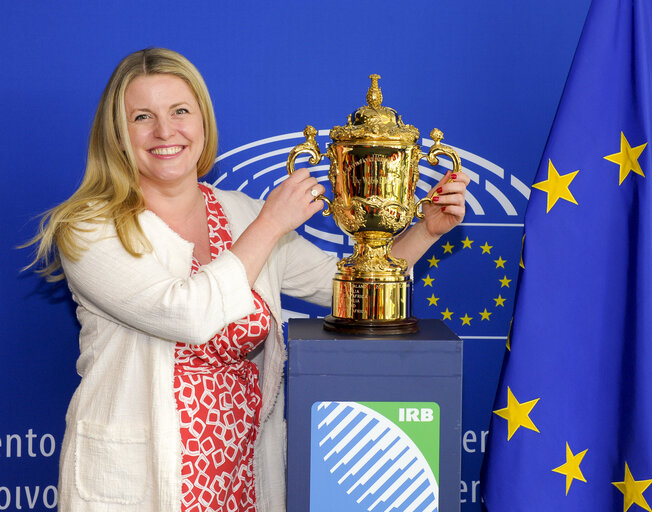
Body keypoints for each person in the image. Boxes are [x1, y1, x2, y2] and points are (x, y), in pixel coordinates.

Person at [26, 47, 469, 512]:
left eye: (180, 111)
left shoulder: (241, 213)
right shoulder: (89, 227)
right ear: (117, 134)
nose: (164, 131)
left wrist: (425, 230)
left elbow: (341, 290)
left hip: (241, 484)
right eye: (141, 116)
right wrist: (272, 224)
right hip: (137, 487)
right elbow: (187, 315)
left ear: (202, 122)